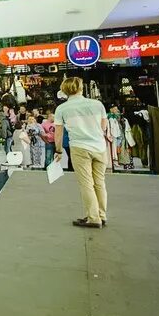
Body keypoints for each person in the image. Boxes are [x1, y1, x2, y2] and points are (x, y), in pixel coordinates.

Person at [53, 76, 110, 229]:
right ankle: (102, 215)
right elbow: (103, 126)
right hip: (99, 147)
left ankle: (93, 218)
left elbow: (58, 133)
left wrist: (58, 150)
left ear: (64, 90)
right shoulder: (97, 104)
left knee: (86, 183)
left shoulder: (62, 109)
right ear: (81, 88)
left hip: (79, 147)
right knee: (99, 182)